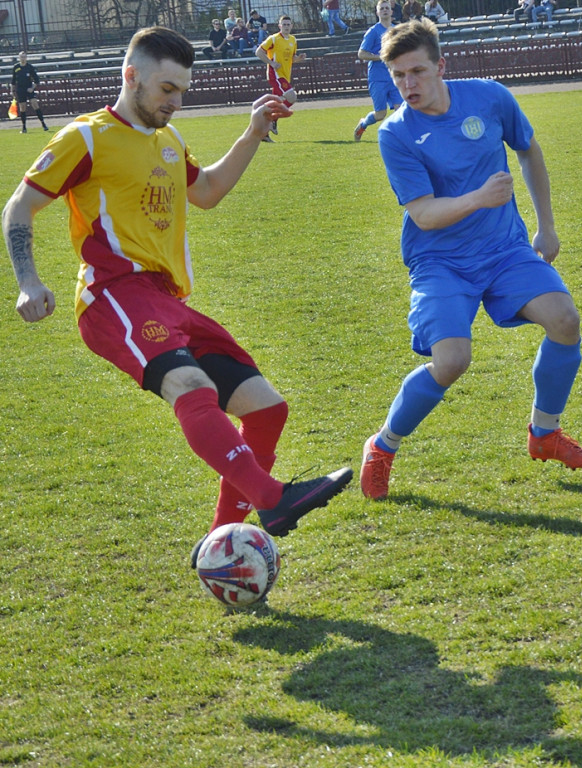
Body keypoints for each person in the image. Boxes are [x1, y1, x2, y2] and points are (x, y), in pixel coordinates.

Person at [1, 26, 352, 570]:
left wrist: (253, 132)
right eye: (167, 89)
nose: (176, 102)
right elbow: (19, 206)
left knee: (267, 409)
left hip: (167, 300)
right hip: (113, 294)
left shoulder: (168, 140)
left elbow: (205, 192)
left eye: (182, 91)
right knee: (191, 385)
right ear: (131, 76)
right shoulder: (85, 137)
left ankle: (220, 543)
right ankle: (272, 499)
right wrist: (28, 279)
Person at [361, 18, 582, 501]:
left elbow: (529, 151)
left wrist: (546, 225)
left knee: (565, 320)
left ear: (441, 66)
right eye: (398, 75)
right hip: (440, 262)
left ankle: (545, 433)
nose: (407, 85)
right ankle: (383, 446)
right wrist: (479, 198)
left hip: (504, 248)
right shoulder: (396, 134)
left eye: (417, 72)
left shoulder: (489, 97)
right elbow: (424, 215)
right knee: (452, 361)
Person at [352, 0, 403, 141]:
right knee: (380, 114)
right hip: (377, 78)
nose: (385, 10)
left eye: (387, 8)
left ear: (391, 11)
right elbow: (361, 54)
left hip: (394, 77)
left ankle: (398, 139)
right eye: (382, 8)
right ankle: (363, 124)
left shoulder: (396, 31)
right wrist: (379, 57)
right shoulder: (373, 32)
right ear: (377, 12)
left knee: (400, 110)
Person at [256, 16, 307, 140]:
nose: (286, 27)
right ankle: (273, 118)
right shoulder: (273, 39)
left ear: (292, 26)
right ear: (279, 26)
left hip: (285, 76)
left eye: (288, 24)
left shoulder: (293, 40)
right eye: (284, 24)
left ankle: (264, 132)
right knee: (292, 97)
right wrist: (271, 63)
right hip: (276, 75)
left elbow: (291, 58)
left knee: (276, 103)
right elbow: (258, 52)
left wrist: (299, 58)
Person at [11, 51, 48, 133]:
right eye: (21, 57)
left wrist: (32, 88)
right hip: (20, 90)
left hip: (29, 88)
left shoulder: (30, 67)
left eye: (24, 57)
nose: (23, 58)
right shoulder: (16, 67)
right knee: (22, 107)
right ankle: (24, 127)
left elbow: (36, 80)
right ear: (19, 58)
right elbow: (13, 81)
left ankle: (43, 124)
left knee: (35, 104)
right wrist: (12, 91)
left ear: (26, 58)